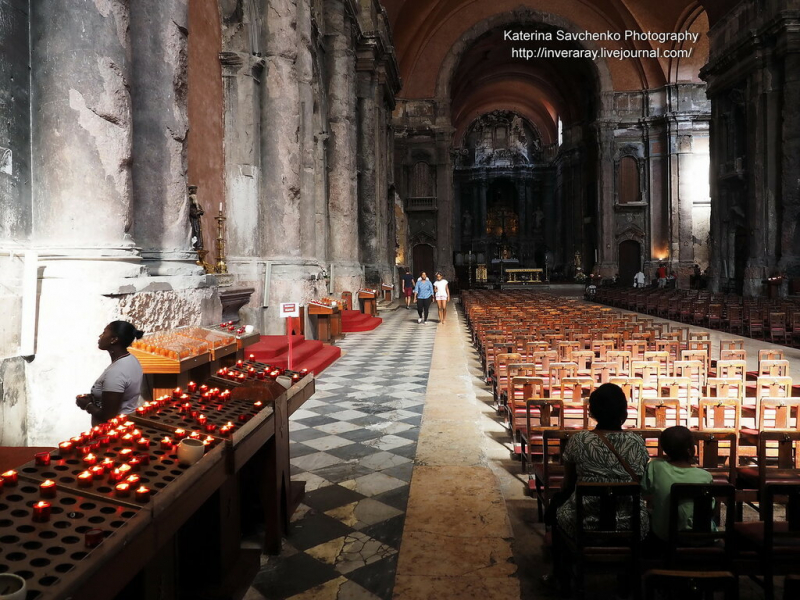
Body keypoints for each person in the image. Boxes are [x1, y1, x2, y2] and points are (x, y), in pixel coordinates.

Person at [554, 383, 650, 540]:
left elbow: (568, 484)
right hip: (630, 523)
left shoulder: (579, 440)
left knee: (558, 506)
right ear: (623, 411)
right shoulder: (636, 442)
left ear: (592, 411)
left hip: (584, 523)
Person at [642, 426, 713, 546]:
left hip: (664, 535)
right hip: (700, 535)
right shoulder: (705, 476)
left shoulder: (656, 467)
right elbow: (710, 508)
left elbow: (644, 492)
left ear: (664, 449)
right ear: (691, 449)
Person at [76, 321, 145, 426]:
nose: (100, 336)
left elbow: (108, 416)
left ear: (114, 340)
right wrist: (94, 397)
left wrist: (87, 405)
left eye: (104, 333)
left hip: (111, 431)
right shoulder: (131, 359)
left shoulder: (117, 372)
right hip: (126, 423)